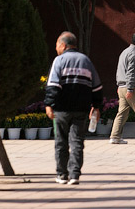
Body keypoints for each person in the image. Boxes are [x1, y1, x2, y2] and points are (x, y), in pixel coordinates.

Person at [45, 31, 103, 185]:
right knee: (77, 141)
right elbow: (97, 87)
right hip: (81, 110)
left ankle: (62, 174)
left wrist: (49, 104)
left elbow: (53, 86)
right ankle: (75, 175)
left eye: (57, 44)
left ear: (63, 45)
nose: (56, 47)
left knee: (61, 142)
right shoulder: (86, 61)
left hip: (62, 110)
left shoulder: (59, 60)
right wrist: (96, 107)